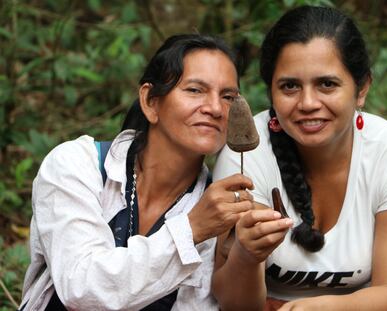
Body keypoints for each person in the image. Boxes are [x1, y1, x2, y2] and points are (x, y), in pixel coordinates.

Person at [19, 34, 255, 311]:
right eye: (194, 90)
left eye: (228, 97)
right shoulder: (77, 165)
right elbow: (79, 287)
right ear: (150, 101)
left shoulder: (216, 207)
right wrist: (191, 229)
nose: (215, 108)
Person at [213, 6, 387, 311]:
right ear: (270, 91)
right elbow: (233, 303)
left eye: (327, 84)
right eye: (290, 86)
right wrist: (246, 255)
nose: (308, 103)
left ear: (362, 89)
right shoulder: (246, 154)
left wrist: (319, 309)